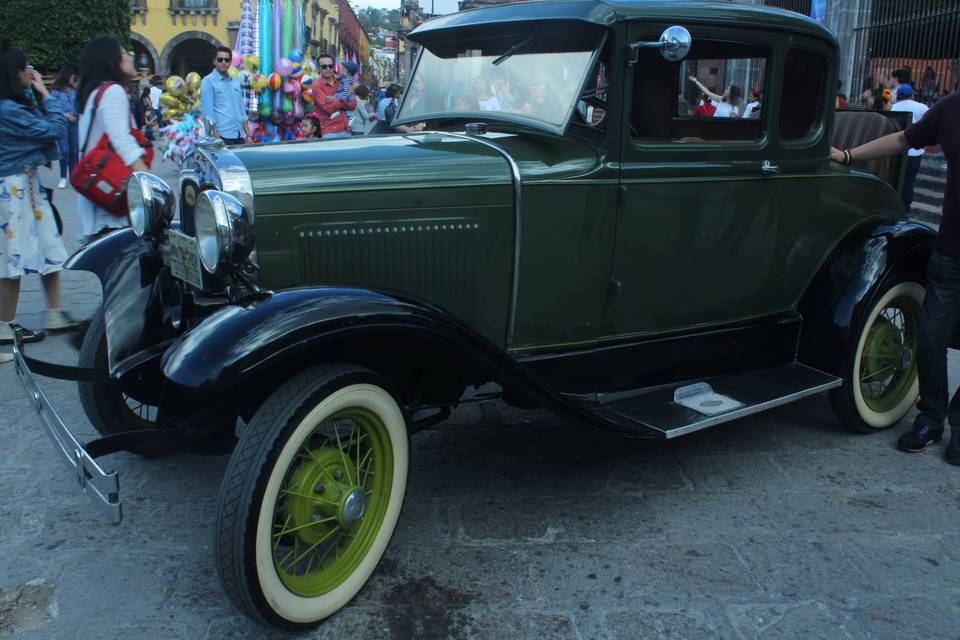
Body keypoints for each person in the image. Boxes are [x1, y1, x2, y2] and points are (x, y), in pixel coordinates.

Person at [830, 91, 960, 465]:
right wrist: (850, 155)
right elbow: (905, 139)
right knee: (933, 336)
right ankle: (931, 418)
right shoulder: (951, 108)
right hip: (951, 250)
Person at [0, 47, 78, 349]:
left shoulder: (12, 105)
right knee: (12, 259)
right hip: (14, 189)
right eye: (25, 70)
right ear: (13, 73)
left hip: (26, 186)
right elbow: (54, 129)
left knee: (48, 245)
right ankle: (5, 327)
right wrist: (45, 94)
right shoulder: (7, 109)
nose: (29, 74)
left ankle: (54, 312)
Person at [76, 36, 150, 242]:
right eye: (125, 53)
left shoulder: (93, 93)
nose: (130, 57)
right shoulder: (113, 91)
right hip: (111, 199)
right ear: (113, 60)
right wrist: (149, 180)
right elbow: (122, 140)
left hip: (98, 193)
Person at [200, 46, 252, 145]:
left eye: (227, 60)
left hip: (239, 135)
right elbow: (208, 116)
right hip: (222, 137)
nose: (224, 62)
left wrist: (248, 135)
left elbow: (242, 110)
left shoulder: (235, 81)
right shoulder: (208, 81)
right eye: (220, 60)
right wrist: (217, 139)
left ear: (230, 62)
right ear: (214, 62)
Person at [891, 84, 929, 211]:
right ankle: (905, 208)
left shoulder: (894, 107)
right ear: (912, 95)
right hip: (915, 152)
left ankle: (893, 205)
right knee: (909, 182)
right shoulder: (922, 107)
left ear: (898, 96)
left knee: (895, 180)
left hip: (897, 150)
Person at [309, 53, 356, 140]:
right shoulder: (317, 85)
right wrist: (345, 97)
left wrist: (334, 99)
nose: (328, 68)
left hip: (346, 129)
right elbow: (329, 109)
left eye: (330, 66)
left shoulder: (341, 81)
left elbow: (353, 105)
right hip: (329, 131)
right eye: (324, 66)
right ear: (319, 68)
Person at [50, 67, 78, 189]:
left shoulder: (73, 91)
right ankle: (63, 177)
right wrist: (66, 115)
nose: (73, 78)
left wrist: (76, 116)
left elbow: (79, 104)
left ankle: (74, 176)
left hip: (74, 122)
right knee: (64, 150)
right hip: (62, 123)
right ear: (67, 76)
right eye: (72, 76)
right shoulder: (55, 92)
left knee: (74, 151)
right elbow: (53, 108)